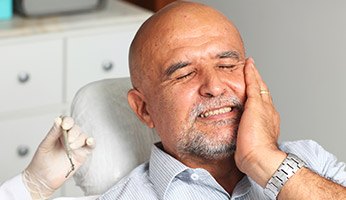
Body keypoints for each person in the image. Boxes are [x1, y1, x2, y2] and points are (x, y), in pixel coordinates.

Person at [1, 1, 346, 199]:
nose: (214, 85)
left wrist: (266, 162)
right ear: (144, 108)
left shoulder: (310, 162)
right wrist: (29, 188)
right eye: (183, 73)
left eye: (227, 64)